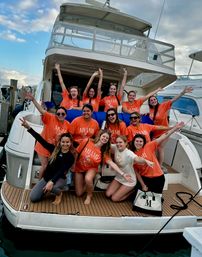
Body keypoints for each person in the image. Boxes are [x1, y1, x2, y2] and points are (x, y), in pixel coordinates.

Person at [20, 118, 75, 204]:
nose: (65, 144)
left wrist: (51, 182)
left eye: (67, 142)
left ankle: (59, 194)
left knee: (52, 187)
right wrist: (28, 128)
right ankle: (47, 189)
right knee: (34, 198)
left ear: (70, 143)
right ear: (60, 142)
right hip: (47, 177)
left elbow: (61, 171)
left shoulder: (70, 157)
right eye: (63, 142)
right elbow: (40, 140)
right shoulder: (54, 149)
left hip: (59, 178)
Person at [74, 129, 131, 205]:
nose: (104, 139)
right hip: (79, 167)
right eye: (103, 136)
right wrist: (73, 165)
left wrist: (123, 174)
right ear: (99, 136)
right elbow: (76, 153)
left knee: (88, 178)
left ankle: (89, 195)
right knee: (79, 193)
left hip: (92, 168)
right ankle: (90, 183)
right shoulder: (87, 141)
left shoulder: (104, 152)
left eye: (107, 138)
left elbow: (111, 163)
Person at [25, 92, 70, 179]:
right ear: (56, 114)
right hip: (42, 145)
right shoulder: (50, 118)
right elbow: (41, 110)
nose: (60, 115)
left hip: (53, 149)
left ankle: (48, 182)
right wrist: (33, 100)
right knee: (45, 166)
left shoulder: (67, 124)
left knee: (52, 166)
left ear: (66, 115)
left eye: (63, 114)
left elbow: (68, 138)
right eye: (58, 113)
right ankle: (39, 184)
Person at [130, 122, 184, 194]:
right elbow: (136, 172)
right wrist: (143, 185)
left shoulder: (149, 146)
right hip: (145, 178)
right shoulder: (132, 154)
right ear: (133, 142)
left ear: (144, 142)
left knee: (155, 201)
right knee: (137, 202)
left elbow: (163, 136)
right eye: (137, 141)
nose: (138, 143)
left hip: (158, 177)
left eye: (141, 141)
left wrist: (174, 128)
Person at [148, 86, 193, 167]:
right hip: (155, 133)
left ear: (157, 100)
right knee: (153, 148)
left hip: (164, 131)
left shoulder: (163, 106)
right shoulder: (150, 110)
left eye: (154, 99)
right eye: (151, 100)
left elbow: (174, 99)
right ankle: (155, 163)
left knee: (160, 148)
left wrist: (183, 92)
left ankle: (159, 166)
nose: (153, 101)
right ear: (150, 103)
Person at [105, 135, 153, 202]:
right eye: (117, 142)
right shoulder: (115, 147)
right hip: (120, 176)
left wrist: (145, 161)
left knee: (114, 198)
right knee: (108, 194)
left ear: (126, 143)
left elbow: (138, 159)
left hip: (129, 179)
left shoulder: (129, 153)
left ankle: (133, 191)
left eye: (120, 142)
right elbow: (105, 144)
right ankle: (121, 189)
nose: (118, 144)